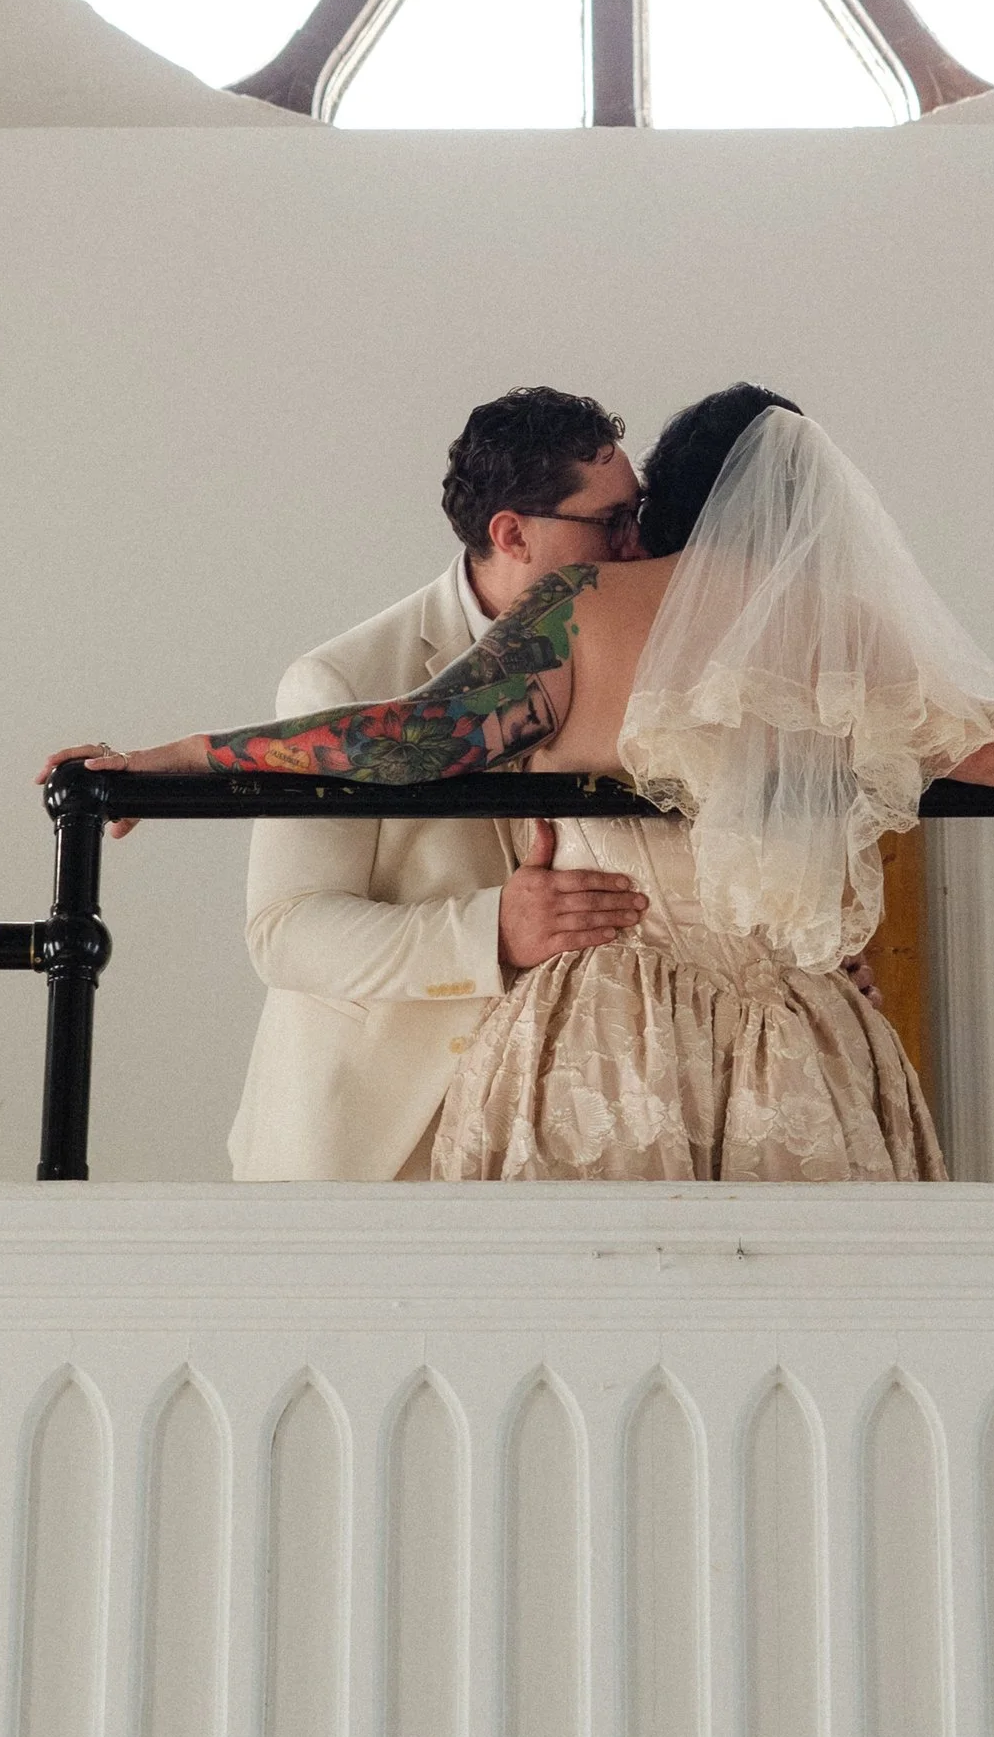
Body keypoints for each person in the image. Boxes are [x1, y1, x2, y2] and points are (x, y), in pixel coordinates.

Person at [56, 384, 994, 1183]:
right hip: (802, 1032)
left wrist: (165, 764)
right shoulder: (847, 632)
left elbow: (390, 742)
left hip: (607, 1025)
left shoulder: (581, 610)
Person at [49, 387, 652, 1181]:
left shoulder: (643, 654)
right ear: (512, 533)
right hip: (371, 1149)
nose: (636, 545)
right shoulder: (347, 676)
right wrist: (488, 932)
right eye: (611, 522)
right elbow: (286, 930)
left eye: (639, 515)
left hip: (567, 1137)